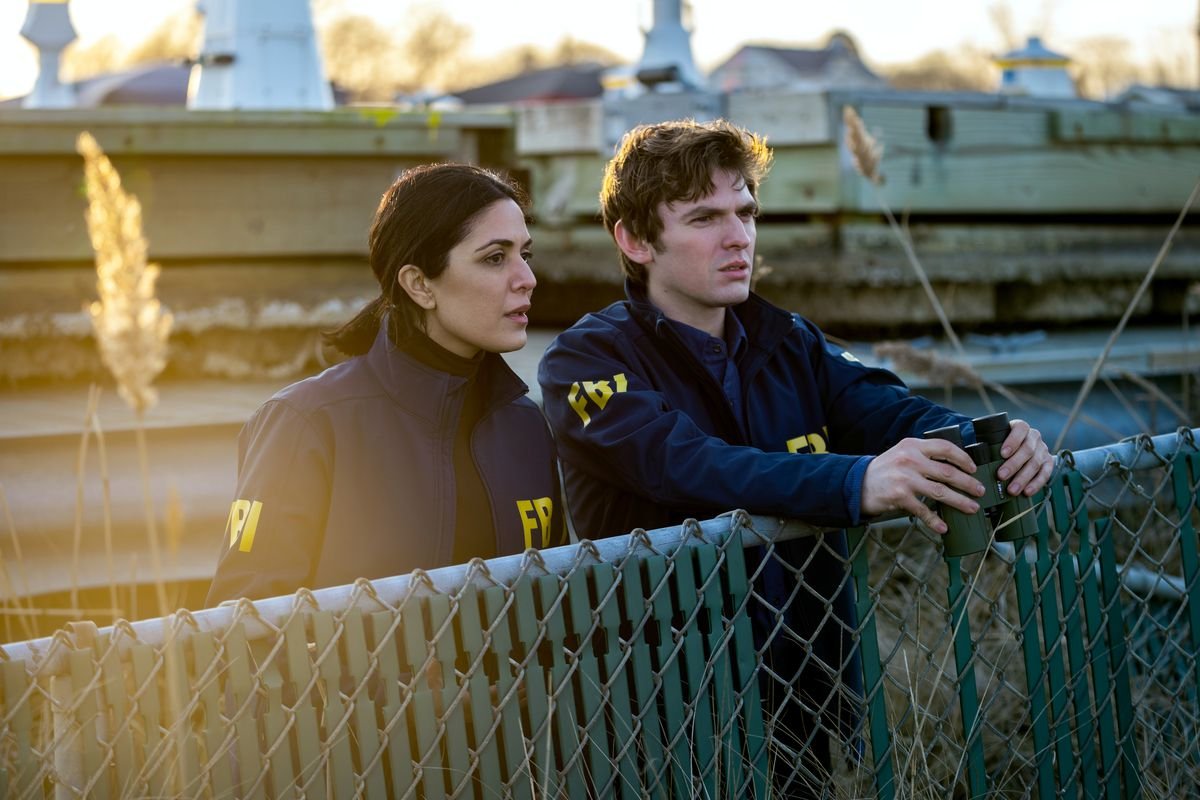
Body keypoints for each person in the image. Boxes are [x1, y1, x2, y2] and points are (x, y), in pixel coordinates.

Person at [536, 119, 1053, 794]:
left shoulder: (789, 339)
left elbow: (889, 410)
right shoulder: (586, 359)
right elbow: (686, 464)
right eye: (704, 218)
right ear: (635, 240)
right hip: (662, 707)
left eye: (746, 213)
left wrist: (990, 439)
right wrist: (855, 482)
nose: (738, 238)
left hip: (800, 695)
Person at [208, 163, 565, 604]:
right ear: (419, 285)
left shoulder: (526, 426)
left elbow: (551, 609)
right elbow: (246, 624)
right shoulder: (306, 423)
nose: (527, 280)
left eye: (524, 256)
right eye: (495, 258)